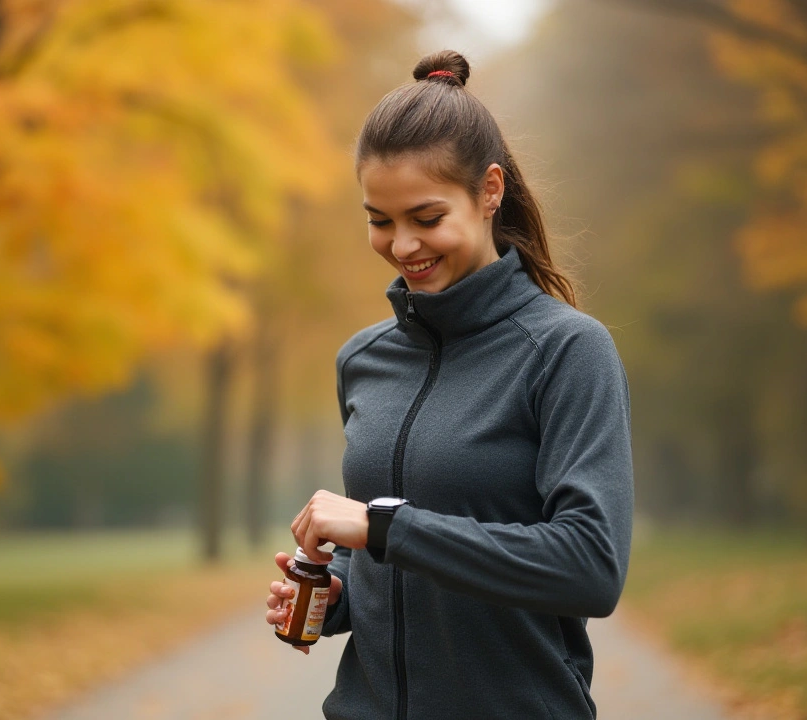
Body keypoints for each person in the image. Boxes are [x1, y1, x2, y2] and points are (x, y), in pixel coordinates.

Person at [263, 50, 633, 719]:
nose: (402, 245)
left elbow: (589, 567)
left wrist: (381, 528)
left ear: (490, 190)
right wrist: (335, 594)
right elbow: (388, 552)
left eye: (426, 218)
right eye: (380, 219)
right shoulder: (363, 359)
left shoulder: (568, 351)